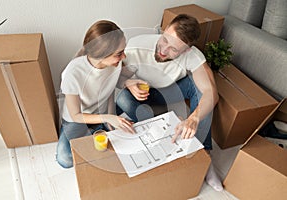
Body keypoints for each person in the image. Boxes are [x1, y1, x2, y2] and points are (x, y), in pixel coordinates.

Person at [116, 14, 223, 191]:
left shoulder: (193, 55)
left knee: (202, 89)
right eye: (165, 40)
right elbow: (118, 79)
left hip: (173, 90)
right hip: (147, 93)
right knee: (123, 99)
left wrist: (194, 118)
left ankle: (204, 153)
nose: (164, 50)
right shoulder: (136, 46)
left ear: (186, 50)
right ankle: (168, 125)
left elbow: (212, 93)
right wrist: (127, 83)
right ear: (164, 30)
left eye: (174, 49)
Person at [56, 20, 134, 169]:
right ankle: (92, 130)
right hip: (77, 119)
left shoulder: (113, 64)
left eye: (123, 50)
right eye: (119, 54)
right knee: (65, 159)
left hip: (102, 112)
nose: (124, 57)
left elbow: (109, 91)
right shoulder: (73, 73)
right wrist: (107, 117)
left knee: (118, 145)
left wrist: (111, 118)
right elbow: (75, 115)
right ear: (101, 55)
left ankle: (96, 130)